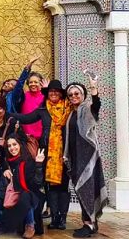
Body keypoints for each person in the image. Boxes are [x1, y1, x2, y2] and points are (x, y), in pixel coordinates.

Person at [11, 80, 72, 230]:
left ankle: (62, 219)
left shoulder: (68, 109)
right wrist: (9, 114)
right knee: (50, 186)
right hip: (46, 153)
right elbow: (27, 118)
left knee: (63, 187)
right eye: (51, 91)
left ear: (61, 94)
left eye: (56, 91)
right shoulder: (44, 109)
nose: (53, 93)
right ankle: (54, 217)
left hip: (63, 153)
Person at [64, 78, 107, 238]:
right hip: (76, 157)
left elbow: (96, 106)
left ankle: (88, 224)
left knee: (87, 189)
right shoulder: (72, 114)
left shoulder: (87, 109)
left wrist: (94, 89)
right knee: (81, 189)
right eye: (70, 95)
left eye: (77, 93)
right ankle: (91, 222)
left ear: (83, 95)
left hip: (88, 158)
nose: (73, 96)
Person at [1, 137, 45, 239]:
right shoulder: (9, 162)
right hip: (16, 197)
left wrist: (38, 164)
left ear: (20, 145)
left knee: (25, 195)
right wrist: (5, 170)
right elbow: (4, 165)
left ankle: (30, 225)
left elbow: (37, 183)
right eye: (9, 146)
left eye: (14, 144)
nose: (12, 148)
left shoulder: (28, 161)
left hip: (33, 197)